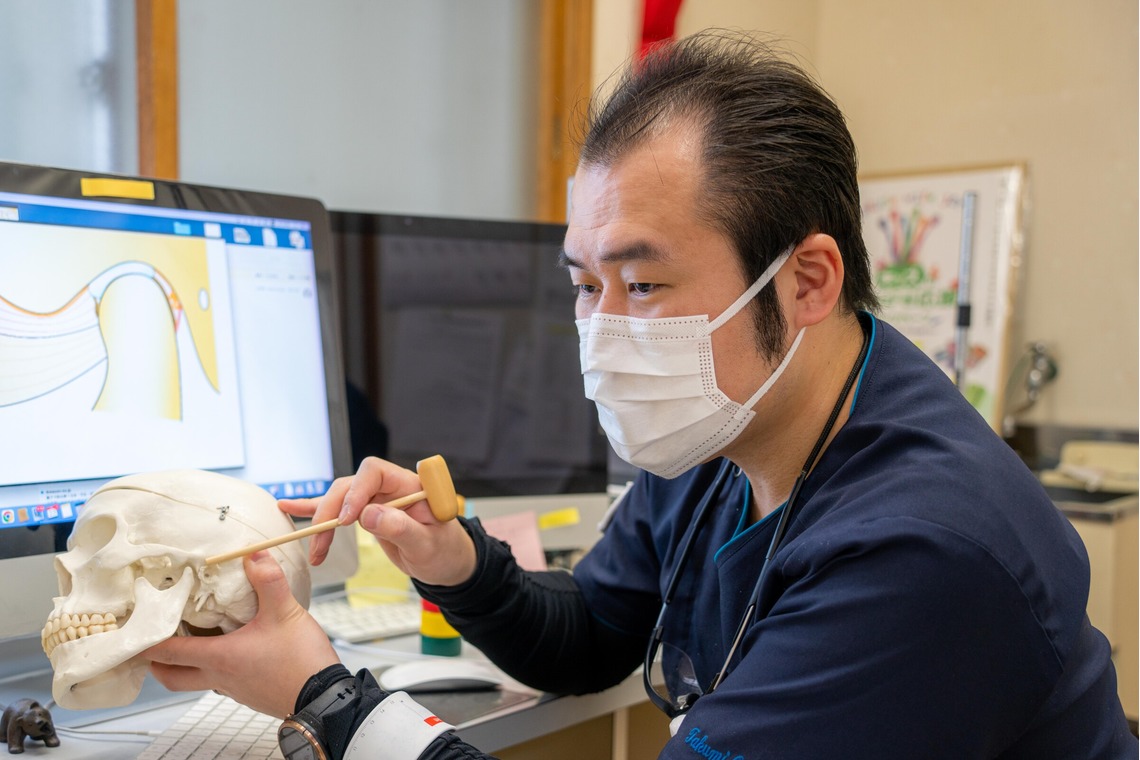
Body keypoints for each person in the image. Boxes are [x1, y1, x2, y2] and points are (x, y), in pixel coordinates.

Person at [145, 31, 1136, 759]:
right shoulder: (734, 427)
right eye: (585, 285)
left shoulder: (923, 547)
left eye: (647, 283)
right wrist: (457, 562)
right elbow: (590, 634)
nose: (606, 332)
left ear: (809, 281)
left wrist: (325, 695)